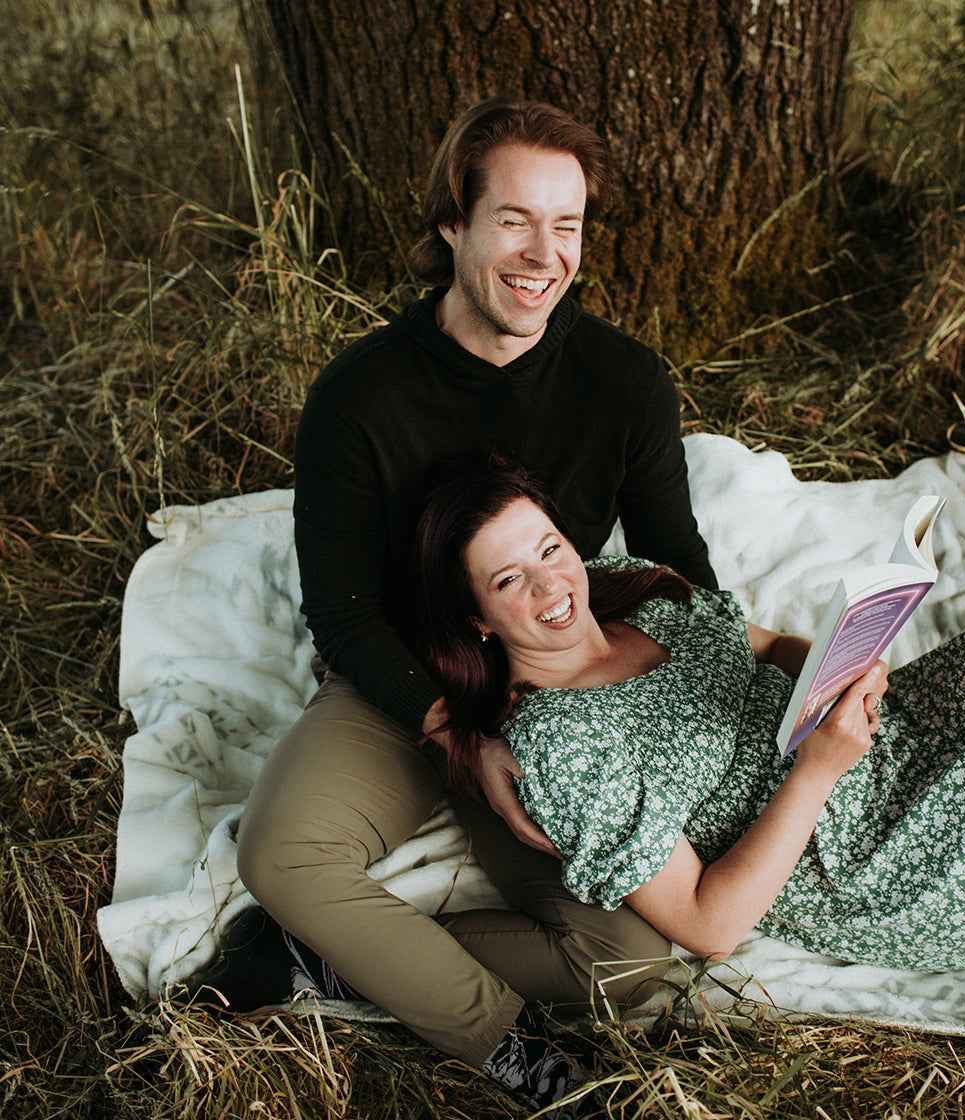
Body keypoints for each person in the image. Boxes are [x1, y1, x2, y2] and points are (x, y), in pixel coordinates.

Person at [199, 98, 719, 1117]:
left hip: (553, 693)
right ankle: (517, 1054)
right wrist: (450, 732)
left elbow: (674, 564)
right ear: (453, 226)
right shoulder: (360, 394)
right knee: (281, 851)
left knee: (631, 962)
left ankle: (333, 963)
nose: (543, 253)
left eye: (565, 225)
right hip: (406, 680)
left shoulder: (624, 381)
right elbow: (342, 613)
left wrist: (744, 671)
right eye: (514, 221)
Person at [414, 460, 965, 1010]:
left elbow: (771, 643)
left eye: (551, 548)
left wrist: (843, 661)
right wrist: (816, 770)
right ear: (476, 617)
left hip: (896, 731)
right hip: (884, 860)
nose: (551, 585)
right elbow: (706, 926)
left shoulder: (618, 586)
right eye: (510, 580)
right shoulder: (561, 744)